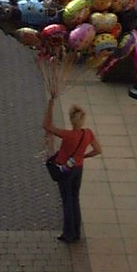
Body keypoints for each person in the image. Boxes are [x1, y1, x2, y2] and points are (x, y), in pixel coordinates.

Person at [42, 92, 102, 244]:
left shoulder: (68, 135)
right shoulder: (87, 133)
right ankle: (76, 232)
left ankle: (68, 234)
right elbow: (98, 150)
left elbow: (47, 126)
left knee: (67, 201)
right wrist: (84, 157)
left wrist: (50, 104)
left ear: (71, 119)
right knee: (75, 199)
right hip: (78, 170)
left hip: (65, 170)